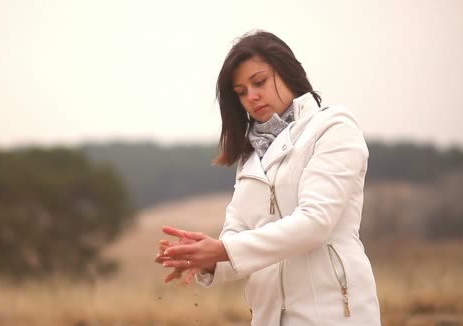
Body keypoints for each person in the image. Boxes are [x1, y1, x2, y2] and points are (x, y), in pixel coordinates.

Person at [154, 30, 381, 325]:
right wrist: (207, 258)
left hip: (334, 316)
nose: (252, 96)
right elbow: (239, 236)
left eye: (259, 82)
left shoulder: (334, 126)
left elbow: (315, 223)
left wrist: (223, 250)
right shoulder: (250, 156)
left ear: (286, 70)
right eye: (241, 92)